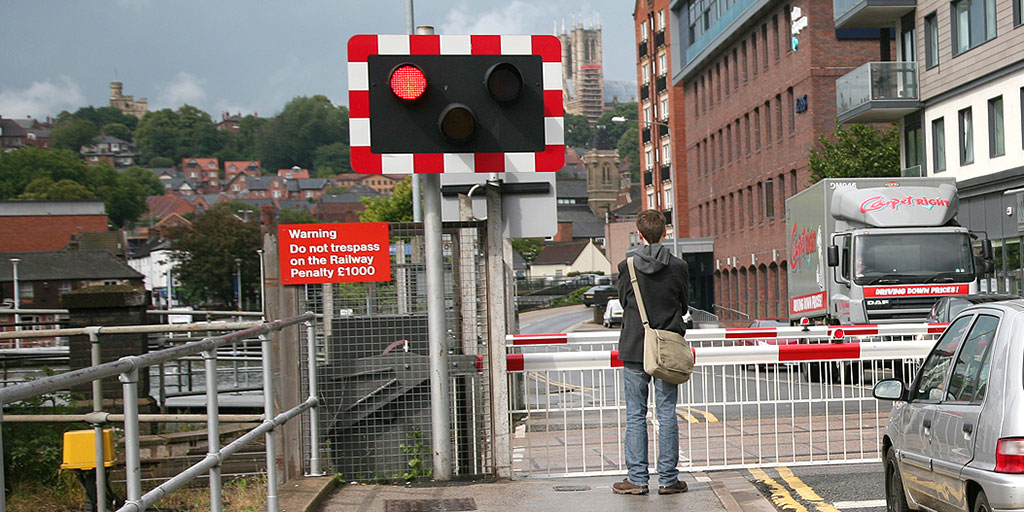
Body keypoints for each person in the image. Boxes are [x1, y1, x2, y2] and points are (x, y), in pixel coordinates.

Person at [612, 209, 691, 496]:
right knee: (667, 413)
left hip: (635, 346)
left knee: (636, 414)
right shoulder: (679, 266)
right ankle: (669, 479)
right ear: (665, 233)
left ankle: (637, 480)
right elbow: (683, 305)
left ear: (640, 235)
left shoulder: (627, 265)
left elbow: (624, 301)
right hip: (667, 347)